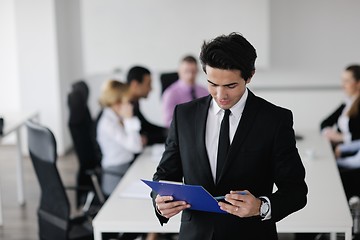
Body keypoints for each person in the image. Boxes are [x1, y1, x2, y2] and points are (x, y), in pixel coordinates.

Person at [151, 33, 307, 240]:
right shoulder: (184, 115)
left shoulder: (275, 119)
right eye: (212, 84)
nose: (220, 95)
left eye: (230, 86)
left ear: (250, 75)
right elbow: (165, 174)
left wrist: (261, 207)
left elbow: (295, 190)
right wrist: (159, 202)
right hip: (195, 234)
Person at [97, 80, 143, 196]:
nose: (130, 105)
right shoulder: (108, 123)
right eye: (127, 101)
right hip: (115, 174)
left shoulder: (116, 118)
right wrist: (129, 118)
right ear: (117, 103)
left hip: (125, 168)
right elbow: (136, 147)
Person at [162, 55, 208, 127]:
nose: (190, 75)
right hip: (182, 133)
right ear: (179, 71)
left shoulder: (204, 91)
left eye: (193, 71)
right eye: (186, 71)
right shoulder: (170, 93)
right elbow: (168, 121)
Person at [127, 66, 168, 145]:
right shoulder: (126, 106)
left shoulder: (134, 103)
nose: (151, 89)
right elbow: (141, 136)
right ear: (135, 85)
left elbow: (144, 125)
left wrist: (169, 131)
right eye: (148, 84)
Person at [321, 65, 360, 147]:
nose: (342, 85)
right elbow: (325, 122)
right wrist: (328, 133)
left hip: (351, 153)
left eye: (347, 81)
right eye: (342, 81)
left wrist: (341, 138)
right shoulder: (347, 102)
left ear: (358, 83)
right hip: (340, 148)